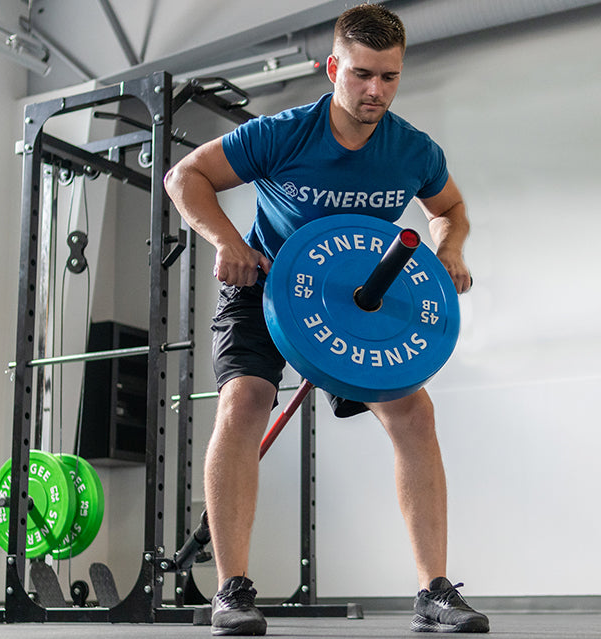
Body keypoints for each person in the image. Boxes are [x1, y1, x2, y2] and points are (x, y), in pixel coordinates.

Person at [164, 4, 489, 635]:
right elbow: (187, 176)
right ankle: (231, 591)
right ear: (334, 67)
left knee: (414, 413)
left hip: (352, 301)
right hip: (264, 285)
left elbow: (449, 207)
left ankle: (433, 592)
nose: (376, 91)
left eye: (390, 78)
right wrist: (229, 242)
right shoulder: (284, 134)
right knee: (245, 401)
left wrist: (449, 248)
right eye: (363, 74)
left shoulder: (412, 150)